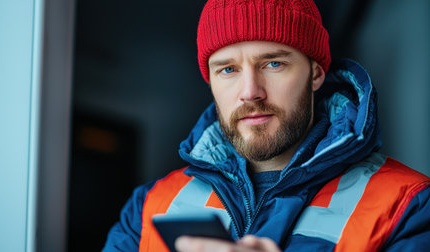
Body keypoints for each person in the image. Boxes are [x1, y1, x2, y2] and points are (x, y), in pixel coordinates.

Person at [102, 0, 430, 251]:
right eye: (227, 70)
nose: (250, 92)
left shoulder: (407, 206)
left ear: (315, 73)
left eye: (273, 63)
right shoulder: (148, 208)